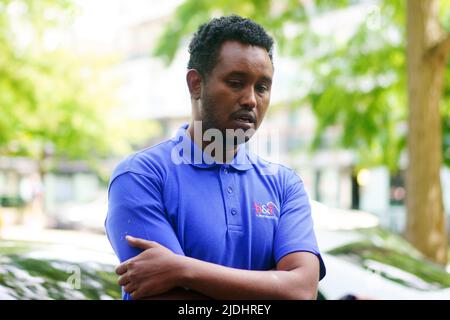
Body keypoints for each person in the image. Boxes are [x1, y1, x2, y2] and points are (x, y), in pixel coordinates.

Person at [105, 15, 326, 300]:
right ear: (196, 84)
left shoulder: (285, 185)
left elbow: (301, 290)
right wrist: (272, 289)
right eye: (236, 82)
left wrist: (183, 270)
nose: (251, 100)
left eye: (262, 87)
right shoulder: (141, 176)